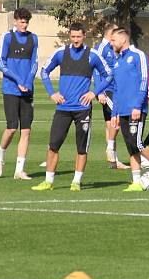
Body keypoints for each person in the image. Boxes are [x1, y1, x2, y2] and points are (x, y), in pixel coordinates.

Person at [31, 23, 113, 191]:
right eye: (73, 37)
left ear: (84, 36)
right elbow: (44, 71)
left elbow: (109, 75)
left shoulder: (93, 55)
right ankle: (48, 181)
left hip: (83, 109)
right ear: (70, 36)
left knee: (81, 147)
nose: (76, 40)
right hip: (63, 108)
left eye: (79, 37)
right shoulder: (61, 53)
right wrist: (52, 93)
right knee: (53, 145)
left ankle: (76, 181)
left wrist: (95, 92)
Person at [109, 28, 149, 191]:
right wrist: (115, 112)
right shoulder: (117, 61)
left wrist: (137, 106)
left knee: (137, 141)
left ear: (123, 40)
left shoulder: (138, 55)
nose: (111, 42)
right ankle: (136, 182)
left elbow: (144, 81)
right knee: (130, 145)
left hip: (136, 109)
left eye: (113, 40)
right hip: (122, 110)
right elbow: (116, 88)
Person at [0, 8, 38, 180]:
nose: (24, 25)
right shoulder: (7, 38)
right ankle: (0, 155)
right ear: (15, 21)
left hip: (27, 90)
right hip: (11, 89)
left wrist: (27, 82)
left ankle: (19, 170)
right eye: (21, 22)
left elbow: (35, 63)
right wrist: (18, 80)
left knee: (26, 130)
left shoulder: (33, 38)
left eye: (26, 22)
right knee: (12, 128)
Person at [94, 23, 129, 170]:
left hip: (117, 89)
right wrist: (99, 92)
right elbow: (95, 70)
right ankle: (110, 149)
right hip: (107, 90)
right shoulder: (101, 48)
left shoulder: (114, 48)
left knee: (110, 123)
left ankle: (113, 160)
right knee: (117, 119)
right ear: (110, 34)